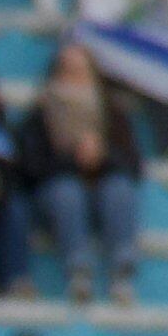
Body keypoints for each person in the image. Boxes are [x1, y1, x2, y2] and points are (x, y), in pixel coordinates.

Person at [26, 40, 145, 303]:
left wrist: (102, 156)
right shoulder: (40, 115)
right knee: (66, 193)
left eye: (80, 70)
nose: (74, 78)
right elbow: (32, 167)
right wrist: (74, 159)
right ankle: (78, 271)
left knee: (119, 191)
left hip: (105, 186)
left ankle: (122, 272)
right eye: (67, 70)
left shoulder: (113, 113)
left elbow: (133, 164)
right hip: (60, 191)